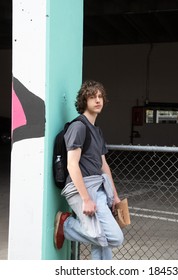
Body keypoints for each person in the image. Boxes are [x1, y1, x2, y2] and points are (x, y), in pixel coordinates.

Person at [54, 80, 124, 260]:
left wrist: (115, 196)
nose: (98, 100)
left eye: (100, 96)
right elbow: (72, 164)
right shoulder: (79, 127)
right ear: (84, 101)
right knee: (114, 238)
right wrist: (86, 199)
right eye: (93, 97)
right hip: (81, 189)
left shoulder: (97, 131)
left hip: (99, 188)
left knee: (101, 242)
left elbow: (104, 166)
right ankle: (67, 225)